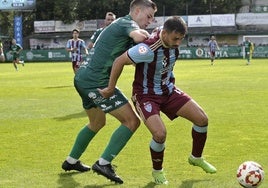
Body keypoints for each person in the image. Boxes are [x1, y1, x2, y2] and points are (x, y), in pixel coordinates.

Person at [99, 16, 217, 185]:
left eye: (181, 39)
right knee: (160, 134)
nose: (178, 43)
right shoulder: (147, 49)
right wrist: (110, 89)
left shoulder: (168, 33)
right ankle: (158, 171)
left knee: (202, 119)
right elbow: (119, 61)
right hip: (146, 95)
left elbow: (165, 26)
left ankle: (196, 157)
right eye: (175, 38)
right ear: (165, 33)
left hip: (168, 90)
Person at [61, 0, 157, 184]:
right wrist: (154, 36)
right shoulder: (127, 23)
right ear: (137, 11)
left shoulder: (120, 24)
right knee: (131, 121)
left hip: (83, 77)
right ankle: (104, 163)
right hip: (95, 82)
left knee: (96, 122)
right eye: (149, 16)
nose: (150, 21)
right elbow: (139, 37)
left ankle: (71, 161)